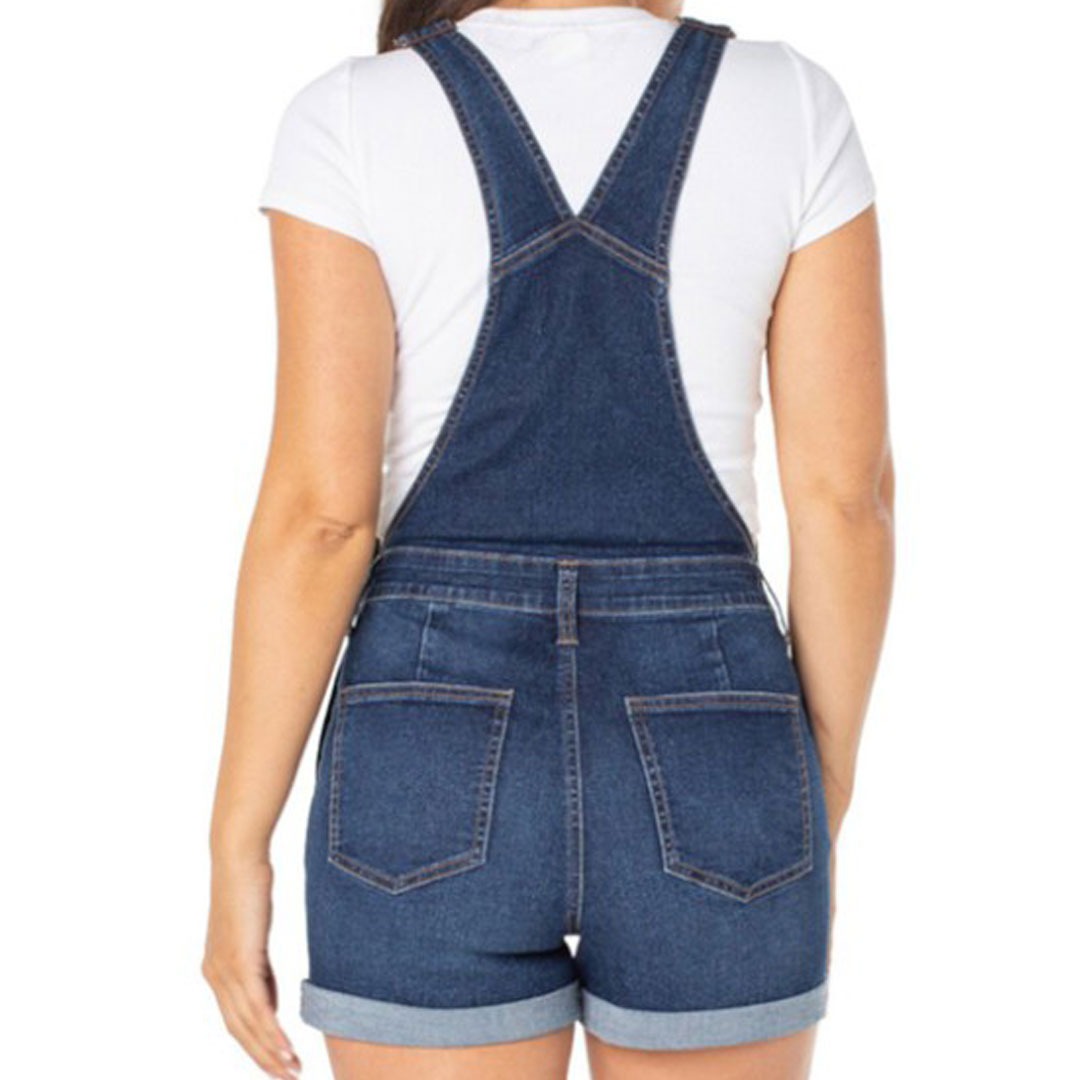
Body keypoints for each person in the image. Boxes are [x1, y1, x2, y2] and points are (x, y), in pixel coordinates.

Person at [201, 2, 893, 1078]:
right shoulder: (788, 101)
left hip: (424, 737)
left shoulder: (354, 113)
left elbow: (321, 521)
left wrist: (238, 842)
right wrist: (820, 790)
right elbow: (846, 501)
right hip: (716, 737)